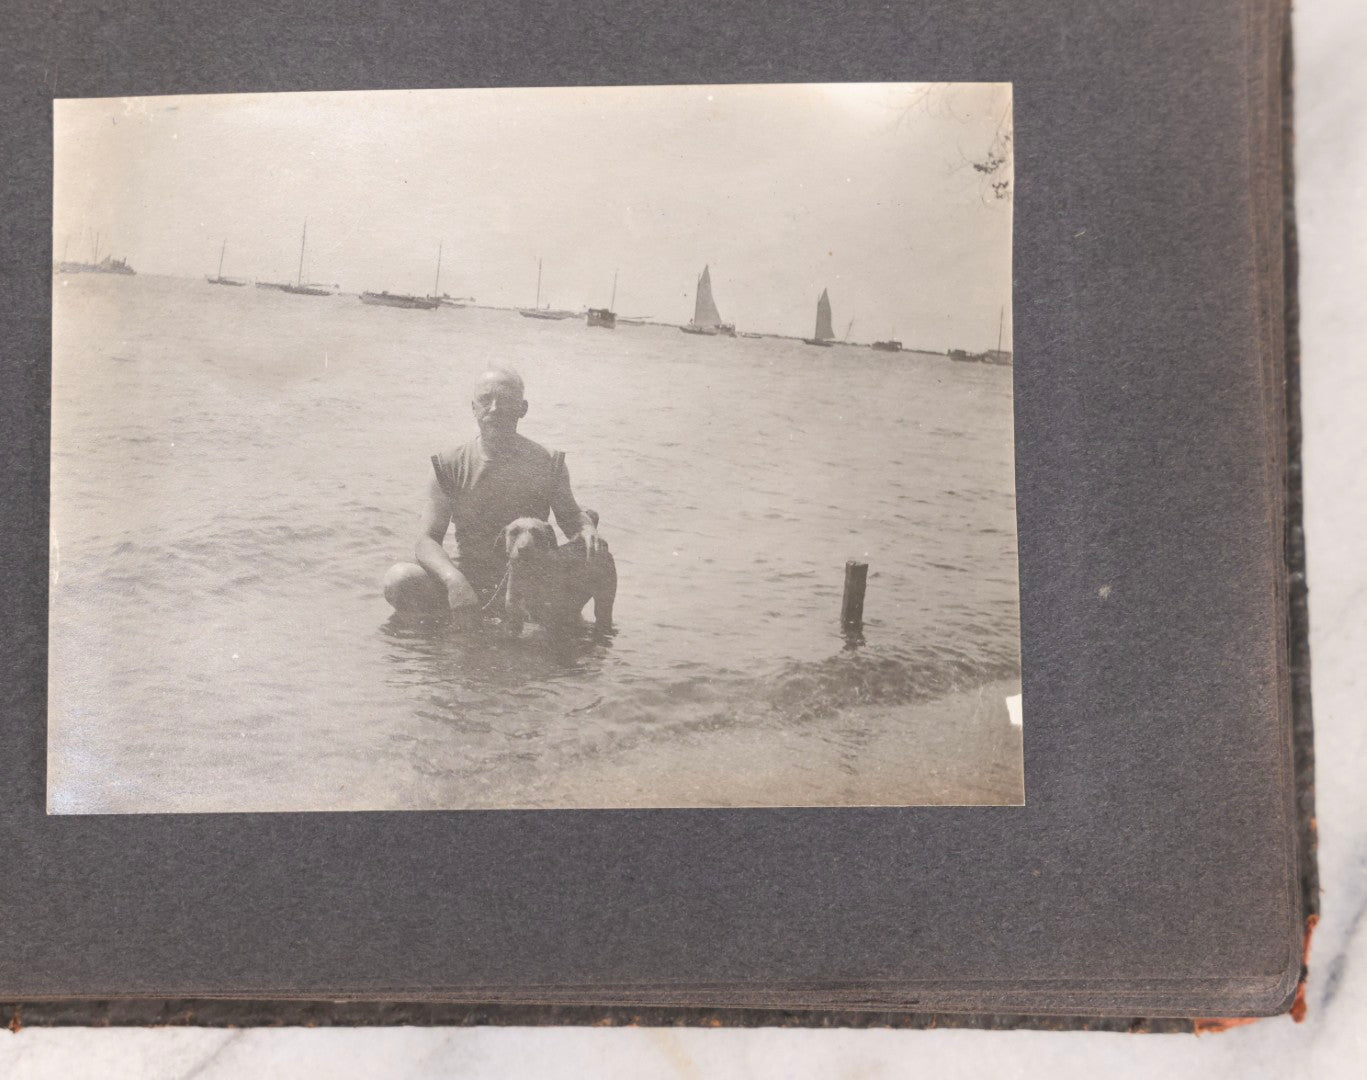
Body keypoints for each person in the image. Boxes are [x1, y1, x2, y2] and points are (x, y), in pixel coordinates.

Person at [382, 367, 607, 622]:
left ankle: (548, 626)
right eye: (485, 399)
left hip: (530, 578)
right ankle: (440, 640)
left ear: (523, 409)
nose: (494, 408)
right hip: (468, 577)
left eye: (506, 400)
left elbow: (571, 518)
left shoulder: (546, 463)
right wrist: (453, 580)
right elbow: (426, 541)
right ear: (473, 407)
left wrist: (587, 530)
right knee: (399, 579)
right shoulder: (449, 464)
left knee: (596, 561)